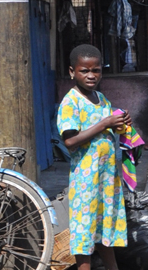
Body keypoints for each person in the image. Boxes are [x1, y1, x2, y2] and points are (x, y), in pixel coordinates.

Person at [57, 45, 130, 270]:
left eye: (96, 70)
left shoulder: (101, 98)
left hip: (106, 180)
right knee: (85, 234)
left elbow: (108, 127)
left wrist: (119, 123)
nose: (91, 76)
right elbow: (70, 141)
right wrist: (105, 123)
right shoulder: (71, 102)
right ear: (72, 72)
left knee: (105, 229)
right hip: (86, 182)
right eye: (84, 71)